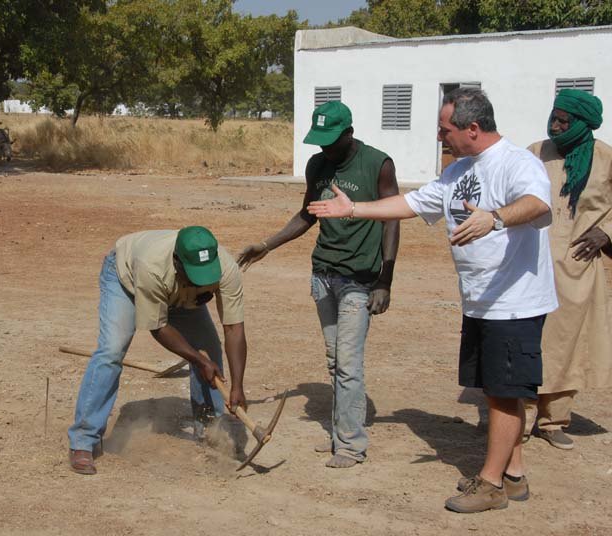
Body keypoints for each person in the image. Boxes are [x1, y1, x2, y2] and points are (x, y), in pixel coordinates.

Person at [307, 88, 558, 514]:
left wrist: (494, 217)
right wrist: (353, 210)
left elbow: (537, 204)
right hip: (481, 301)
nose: (439, 136)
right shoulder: (457, 171)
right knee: (502, 390)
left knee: (502, 392)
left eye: (445, 129)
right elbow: (409, 203)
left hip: (514, 301)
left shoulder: (517, 162)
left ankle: (492, 484)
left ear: (472, 128)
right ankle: (513, 476)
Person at [238, 100, 399, 469]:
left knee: (348, 364)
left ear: (349, 133)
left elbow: (393, 219)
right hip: (323, 276)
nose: (325, 149)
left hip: (360, 279)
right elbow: (307, 214)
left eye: (332, 141)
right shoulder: (318, 165)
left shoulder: (378, 163)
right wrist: (267, 245)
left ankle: (350, 446)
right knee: (335, 361)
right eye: (320, 142)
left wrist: (385, 280)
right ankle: (341, 431)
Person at [67, 226, 248, 475]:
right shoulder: (150, 265)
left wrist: (237, 385)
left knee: (210, 350)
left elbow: (234, 329)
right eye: (197, 275)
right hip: (127, 282)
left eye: (208, 276)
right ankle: (83, 440)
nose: (204, 282)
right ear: (177, 261)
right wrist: (197, 360)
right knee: (112, 351)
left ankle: (209, 429)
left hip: (181, 295)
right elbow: (159, 327)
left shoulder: (226, 268)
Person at [525, 89, 612, 450]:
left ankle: (554, 419)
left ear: (583, 123)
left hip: (577, 266)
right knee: (527, 341)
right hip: (531, 263)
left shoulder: (605, 157)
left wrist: (606, 232)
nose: (556, 126)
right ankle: (520, 417)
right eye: (554, 117)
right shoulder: (534, 152)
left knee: (566, 344)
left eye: (565, 120)